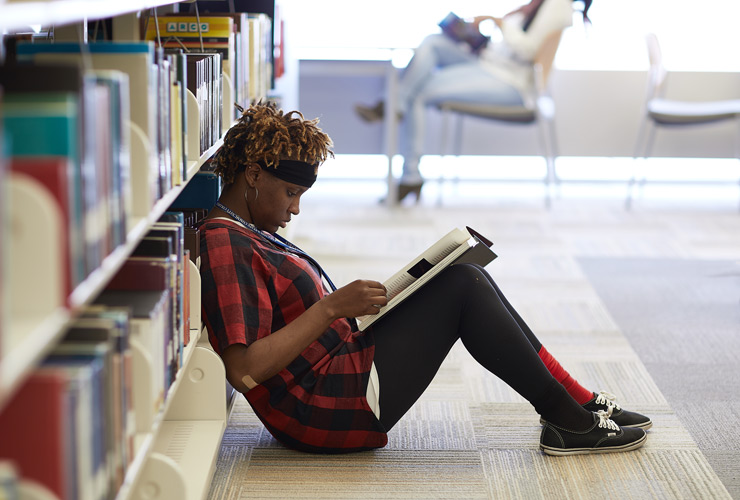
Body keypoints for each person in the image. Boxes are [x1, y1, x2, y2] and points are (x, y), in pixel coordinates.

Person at [199, 101, 650, 455]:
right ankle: (568, 420)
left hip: (342, 366)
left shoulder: (247, 232)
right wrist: (332, 307)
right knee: (462, 287)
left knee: (464, 271)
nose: (295, 209)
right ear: (253, 174)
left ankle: (576, 404)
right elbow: (244, 370)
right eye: (291, 193)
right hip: (323, 408)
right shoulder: (224, 243)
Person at [355, 0, 593, 203]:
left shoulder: (559, 5)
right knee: (432, 42)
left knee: (419, 92)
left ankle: (409, 171)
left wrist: (498, 22)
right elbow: (511, 44)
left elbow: (528, 50)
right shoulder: (536, 4)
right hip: (489, 64)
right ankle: (395, 106)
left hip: (512, 83)